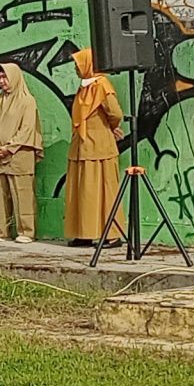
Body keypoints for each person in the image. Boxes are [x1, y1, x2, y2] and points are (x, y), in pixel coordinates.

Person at [62, 49, 126, 246]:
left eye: (78, 64)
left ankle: (112, 234)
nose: (75, 68)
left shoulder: (101, 86)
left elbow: (115, 113)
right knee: (83, 192)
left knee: (105, 191)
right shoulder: (85, 88)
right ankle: (84, 233)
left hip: (99, 147)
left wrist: (109, 128)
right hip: (82, 147)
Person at [0, 62, 43, 242]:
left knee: (21, 194)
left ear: (15, 77)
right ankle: (1, 231)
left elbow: (27, 128)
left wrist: (9, 148)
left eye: (5, 77)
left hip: (19, 155)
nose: (2, 81)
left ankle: (26, 232)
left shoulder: (27, 101)